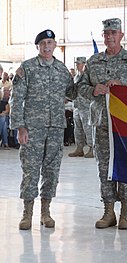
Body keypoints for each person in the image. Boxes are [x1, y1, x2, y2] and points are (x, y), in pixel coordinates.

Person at [78, 18, 127, 230]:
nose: (109, 36)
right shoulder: (93, 62)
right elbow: (79, 88)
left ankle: (126, 212)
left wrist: (125, 86)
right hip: (101, 123)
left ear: (121, 35)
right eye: (106, 33)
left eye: (113, 32)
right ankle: (109, 211)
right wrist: (93, 90)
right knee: (105, 167)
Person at [9, 29, 77, 230]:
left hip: (56, 128)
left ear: (55, 45)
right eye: (43, 43)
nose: (47, 46)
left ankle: (45, 212)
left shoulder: (62, 70)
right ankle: (27, 213)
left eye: (50, 42)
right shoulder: (27, 68)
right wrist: (20, 127)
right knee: (30, 170)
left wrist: (88, 82)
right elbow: (16, 99)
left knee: (52, 171)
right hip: (33, 128)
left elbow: (72, 93)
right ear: (38, 46)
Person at [68, 57, 94, 158]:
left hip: (86, 106)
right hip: (77, 106)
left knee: (88, 128)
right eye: (77, 63)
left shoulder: (88, 76)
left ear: (84, 64)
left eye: (79, 63)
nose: (77, 65)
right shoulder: (76, 76)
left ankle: (92, 148)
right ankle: (79, 148)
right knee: (77, 129)